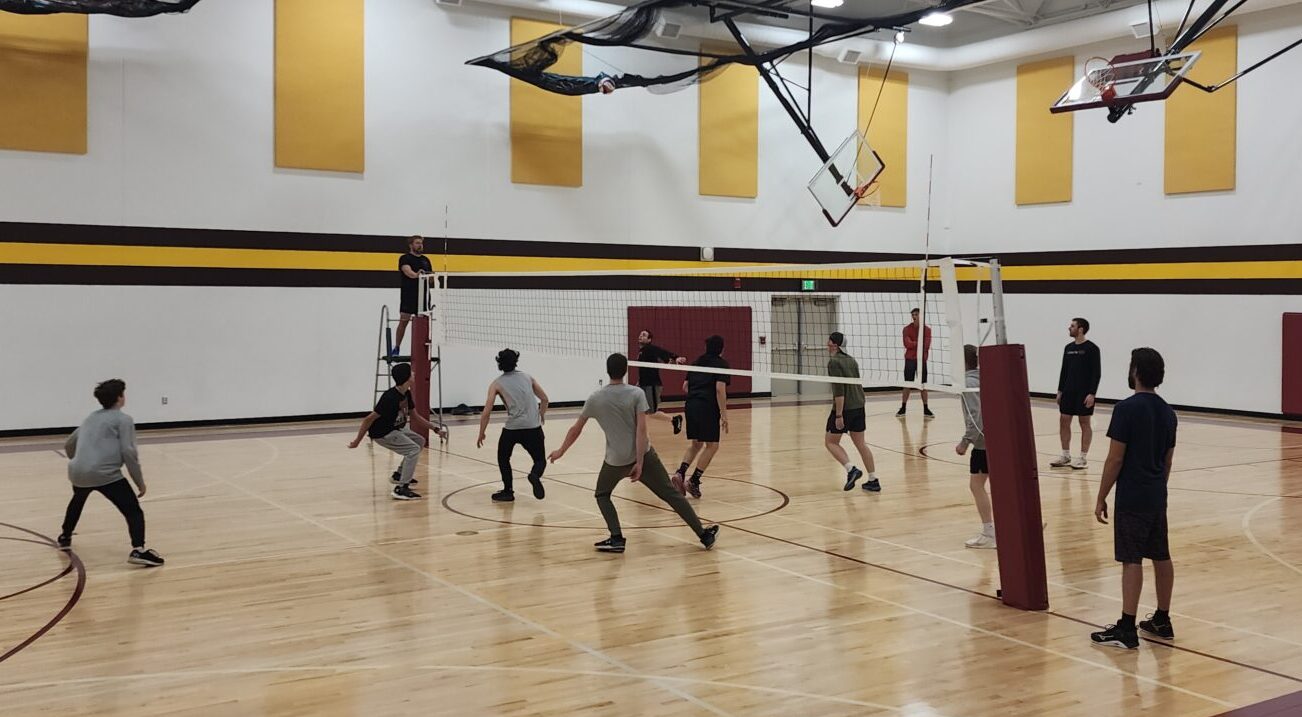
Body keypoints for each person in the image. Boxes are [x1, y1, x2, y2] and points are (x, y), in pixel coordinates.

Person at [548, 353, 719, 554]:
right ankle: (703, 535)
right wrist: (639, 462)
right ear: (626, 370)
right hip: (644, 456)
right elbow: (641, 430)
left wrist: (561, 451)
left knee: (602, 494)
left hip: (615, 460)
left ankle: (616, 538)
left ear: (607, 370)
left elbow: (576, 429)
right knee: (671, 495)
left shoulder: (595, 398)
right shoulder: (636, 393)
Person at [1090, 348, 1178, 650]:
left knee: (1132, 559)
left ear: (1136, 371)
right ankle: (1162, 619)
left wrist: (1101, 496)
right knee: (1161, 555)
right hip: (1156, 494)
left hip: (1132, 497)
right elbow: (1167, 461)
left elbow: (1115, 459)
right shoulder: (1168, 412)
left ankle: (1127, 628)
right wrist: (1157, 488)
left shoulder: (1126, 409)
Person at [57, 379, 164, 567]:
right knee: (133, 510)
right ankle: (139, 550)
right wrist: (139, 482)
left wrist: (80, 461)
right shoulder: (124, 420)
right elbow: (129, 453)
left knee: (78, 499)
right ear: (120, 398)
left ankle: (65, 536)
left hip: (77, 471)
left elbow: (69, 444)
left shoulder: (91, 417)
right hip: (105, 474)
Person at [348, 363, 445, 500]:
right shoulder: (389, 398)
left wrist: (435, 429)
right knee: (413, 450)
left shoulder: (406, 393)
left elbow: (415, 417)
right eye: (411, 373)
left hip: (395, 428)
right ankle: (401, 488)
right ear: (406, 378)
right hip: (383, 433)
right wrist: (357, 441)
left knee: (420, 440)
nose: (414, 374)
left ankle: (399, 474)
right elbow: (368, 419)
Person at [477, 349, 549, 503]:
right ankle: (534, 475)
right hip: (533, 427)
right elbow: (544, 399)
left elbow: (486, 412)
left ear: (499, 363)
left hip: (512, 428)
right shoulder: (527, 377)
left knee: (503, 458)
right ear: (516, 361)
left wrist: (481, 432)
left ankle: (508, 491)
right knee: (540, 460)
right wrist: (541, 414)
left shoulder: (496, 383)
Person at [672, 335, 729, 499]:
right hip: (707, 407)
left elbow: (685, 386)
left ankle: (680, 473)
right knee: (712, 445)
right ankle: (694, 481)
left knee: (696, 444)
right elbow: (719, 389)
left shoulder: (696, 362)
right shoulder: (721, 364)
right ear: (721, 349)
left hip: (691, 405)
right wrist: (724, 415)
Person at [824, 332, 880, 493]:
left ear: (835, 344)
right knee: (861, 443)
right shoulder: (851, 359)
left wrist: (839, 415)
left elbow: (839, 391)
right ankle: (873, 480)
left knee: (830, 442)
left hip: (845, 408)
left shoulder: (834, 362)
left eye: (829, 341)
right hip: (859, 406)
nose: (827, 343)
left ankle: (851, 469)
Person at [954, 345, 995, 549]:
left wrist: (965, 442)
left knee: (976, 485)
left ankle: (989, 533)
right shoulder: (985, 377)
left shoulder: (968, 384)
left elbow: (976, 417)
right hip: (999, 438)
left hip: (983, 442)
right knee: (1002, 486)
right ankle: (1023, 524)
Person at [1051, 317, 1102, 470]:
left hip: (1084, 393)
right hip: (1068, 392)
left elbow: (1096, 373)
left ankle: (1083, 457)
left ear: (1080, 329)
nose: (1069, 328)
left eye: (1072, 326)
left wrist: (1092, 393)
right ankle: (1065, 455)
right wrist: (1060, 390)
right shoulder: (1068, 348)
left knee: (1084, 423)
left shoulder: (1092, 348)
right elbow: (1064, 370)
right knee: (1064, 420)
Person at [635, 329, 686, 434]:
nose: (640, 336)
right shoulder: (642, 351)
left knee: (651, 413)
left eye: (644, 335)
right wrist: (639, 382)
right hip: (643, 384)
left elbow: (663, 352)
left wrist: (676, 358)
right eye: (640, 334)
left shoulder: (650, 348)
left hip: (652, 385)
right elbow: (644, 370)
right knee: (640, 410)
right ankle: (638, 431)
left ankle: (674, 419)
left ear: (649, 340)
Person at [393, 235, 433, 357]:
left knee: (423, 324)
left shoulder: (426, 260)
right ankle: (397, 347)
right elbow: (408, 272)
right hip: (408, 296)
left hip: (423, 297)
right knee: (404, 321)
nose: (420, 245)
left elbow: (431, 277)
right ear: (411, 245)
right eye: (417, 243)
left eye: (421, 243)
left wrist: (432, 277)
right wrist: (416, 275)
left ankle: (423, 350)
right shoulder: (405, 258)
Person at [898, 308, 934, 418]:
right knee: (907, 385)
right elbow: (907, 344)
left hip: (921, 361)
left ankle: (926, 409)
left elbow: (926, 345)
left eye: (916, 314)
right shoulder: (906, 329)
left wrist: (914, 343)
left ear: (921, 316)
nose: (914, 316)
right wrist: (918, 343)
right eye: (913, 314)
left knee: (923, 385)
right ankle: (903, 408)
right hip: (910, 360)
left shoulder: (927, 330)